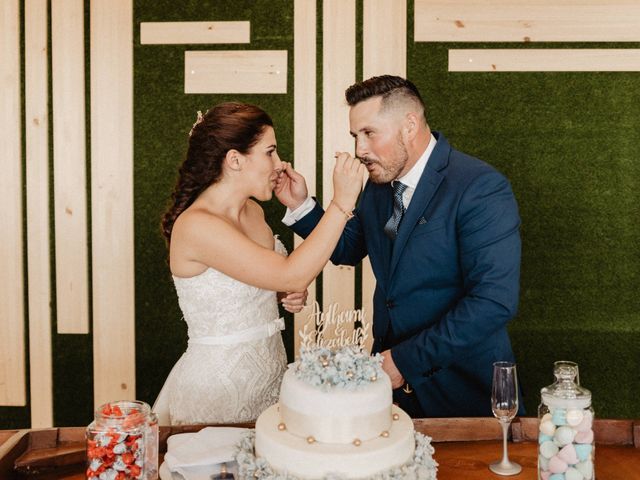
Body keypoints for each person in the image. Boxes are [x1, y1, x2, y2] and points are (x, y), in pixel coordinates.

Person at [276, 75, 523, 417]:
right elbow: (348, 248)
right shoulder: (379, 186)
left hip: (461, 390)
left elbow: (493, 302)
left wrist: (404, 361)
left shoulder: (479, 187)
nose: (360, 150)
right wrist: (302, 206)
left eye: (369, 133)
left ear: (409, 125)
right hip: (392, 395)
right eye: (355, 137)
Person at [153, 102, 364, 425]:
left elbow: (273, 279)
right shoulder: (197, 225)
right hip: (219, 390)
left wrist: (279, 294)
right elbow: (291, 274)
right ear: (235, 159)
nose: (280, 165)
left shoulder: (253, 212)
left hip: (270, 376)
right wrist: (341, 203)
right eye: (270, 152)